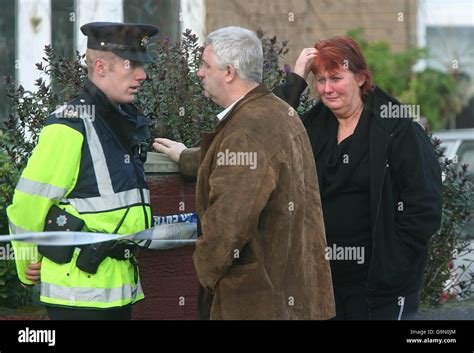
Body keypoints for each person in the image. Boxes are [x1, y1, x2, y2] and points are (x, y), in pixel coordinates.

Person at [154, 26, 335, 320]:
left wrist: (205, 271)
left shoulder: (246, 130)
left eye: (205, 65)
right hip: (292, 302)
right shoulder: (276, 113)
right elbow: (233, 160)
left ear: (228, 72)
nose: (199, 73)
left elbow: (227, 228)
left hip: (255, 304)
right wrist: (184, 156)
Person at [273, 37, 442, 320]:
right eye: (321, 80)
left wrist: (395, 264)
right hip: (324, 285)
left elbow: (424, 207)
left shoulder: (397, 130)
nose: (327, 89)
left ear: (361, 78)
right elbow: (265, 132)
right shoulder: (313, 128)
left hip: (381, 290)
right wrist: (297, 78)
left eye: (336, 78)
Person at [7, 22, 159, 320]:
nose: (142, 75)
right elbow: (27, 204)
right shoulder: (69, 124)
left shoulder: (122, 122)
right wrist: (27, 265)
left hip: (115, 287)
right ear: (100, 66)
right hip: (76, 295)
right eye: (132, 67)